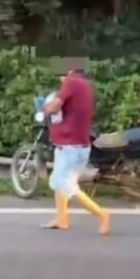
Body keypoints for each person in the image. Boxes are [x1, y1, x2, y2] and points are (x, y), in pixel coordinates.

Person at [40, 62, 110, 235]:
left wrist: (45, 108)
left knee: (64, 183)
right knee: (59, 180)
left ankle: (102, 215)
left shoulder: (71, 83)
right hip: (70, 145)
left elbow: (55, 106)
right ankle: (62, 219)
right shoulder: (84, 85)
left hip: (72, 146)